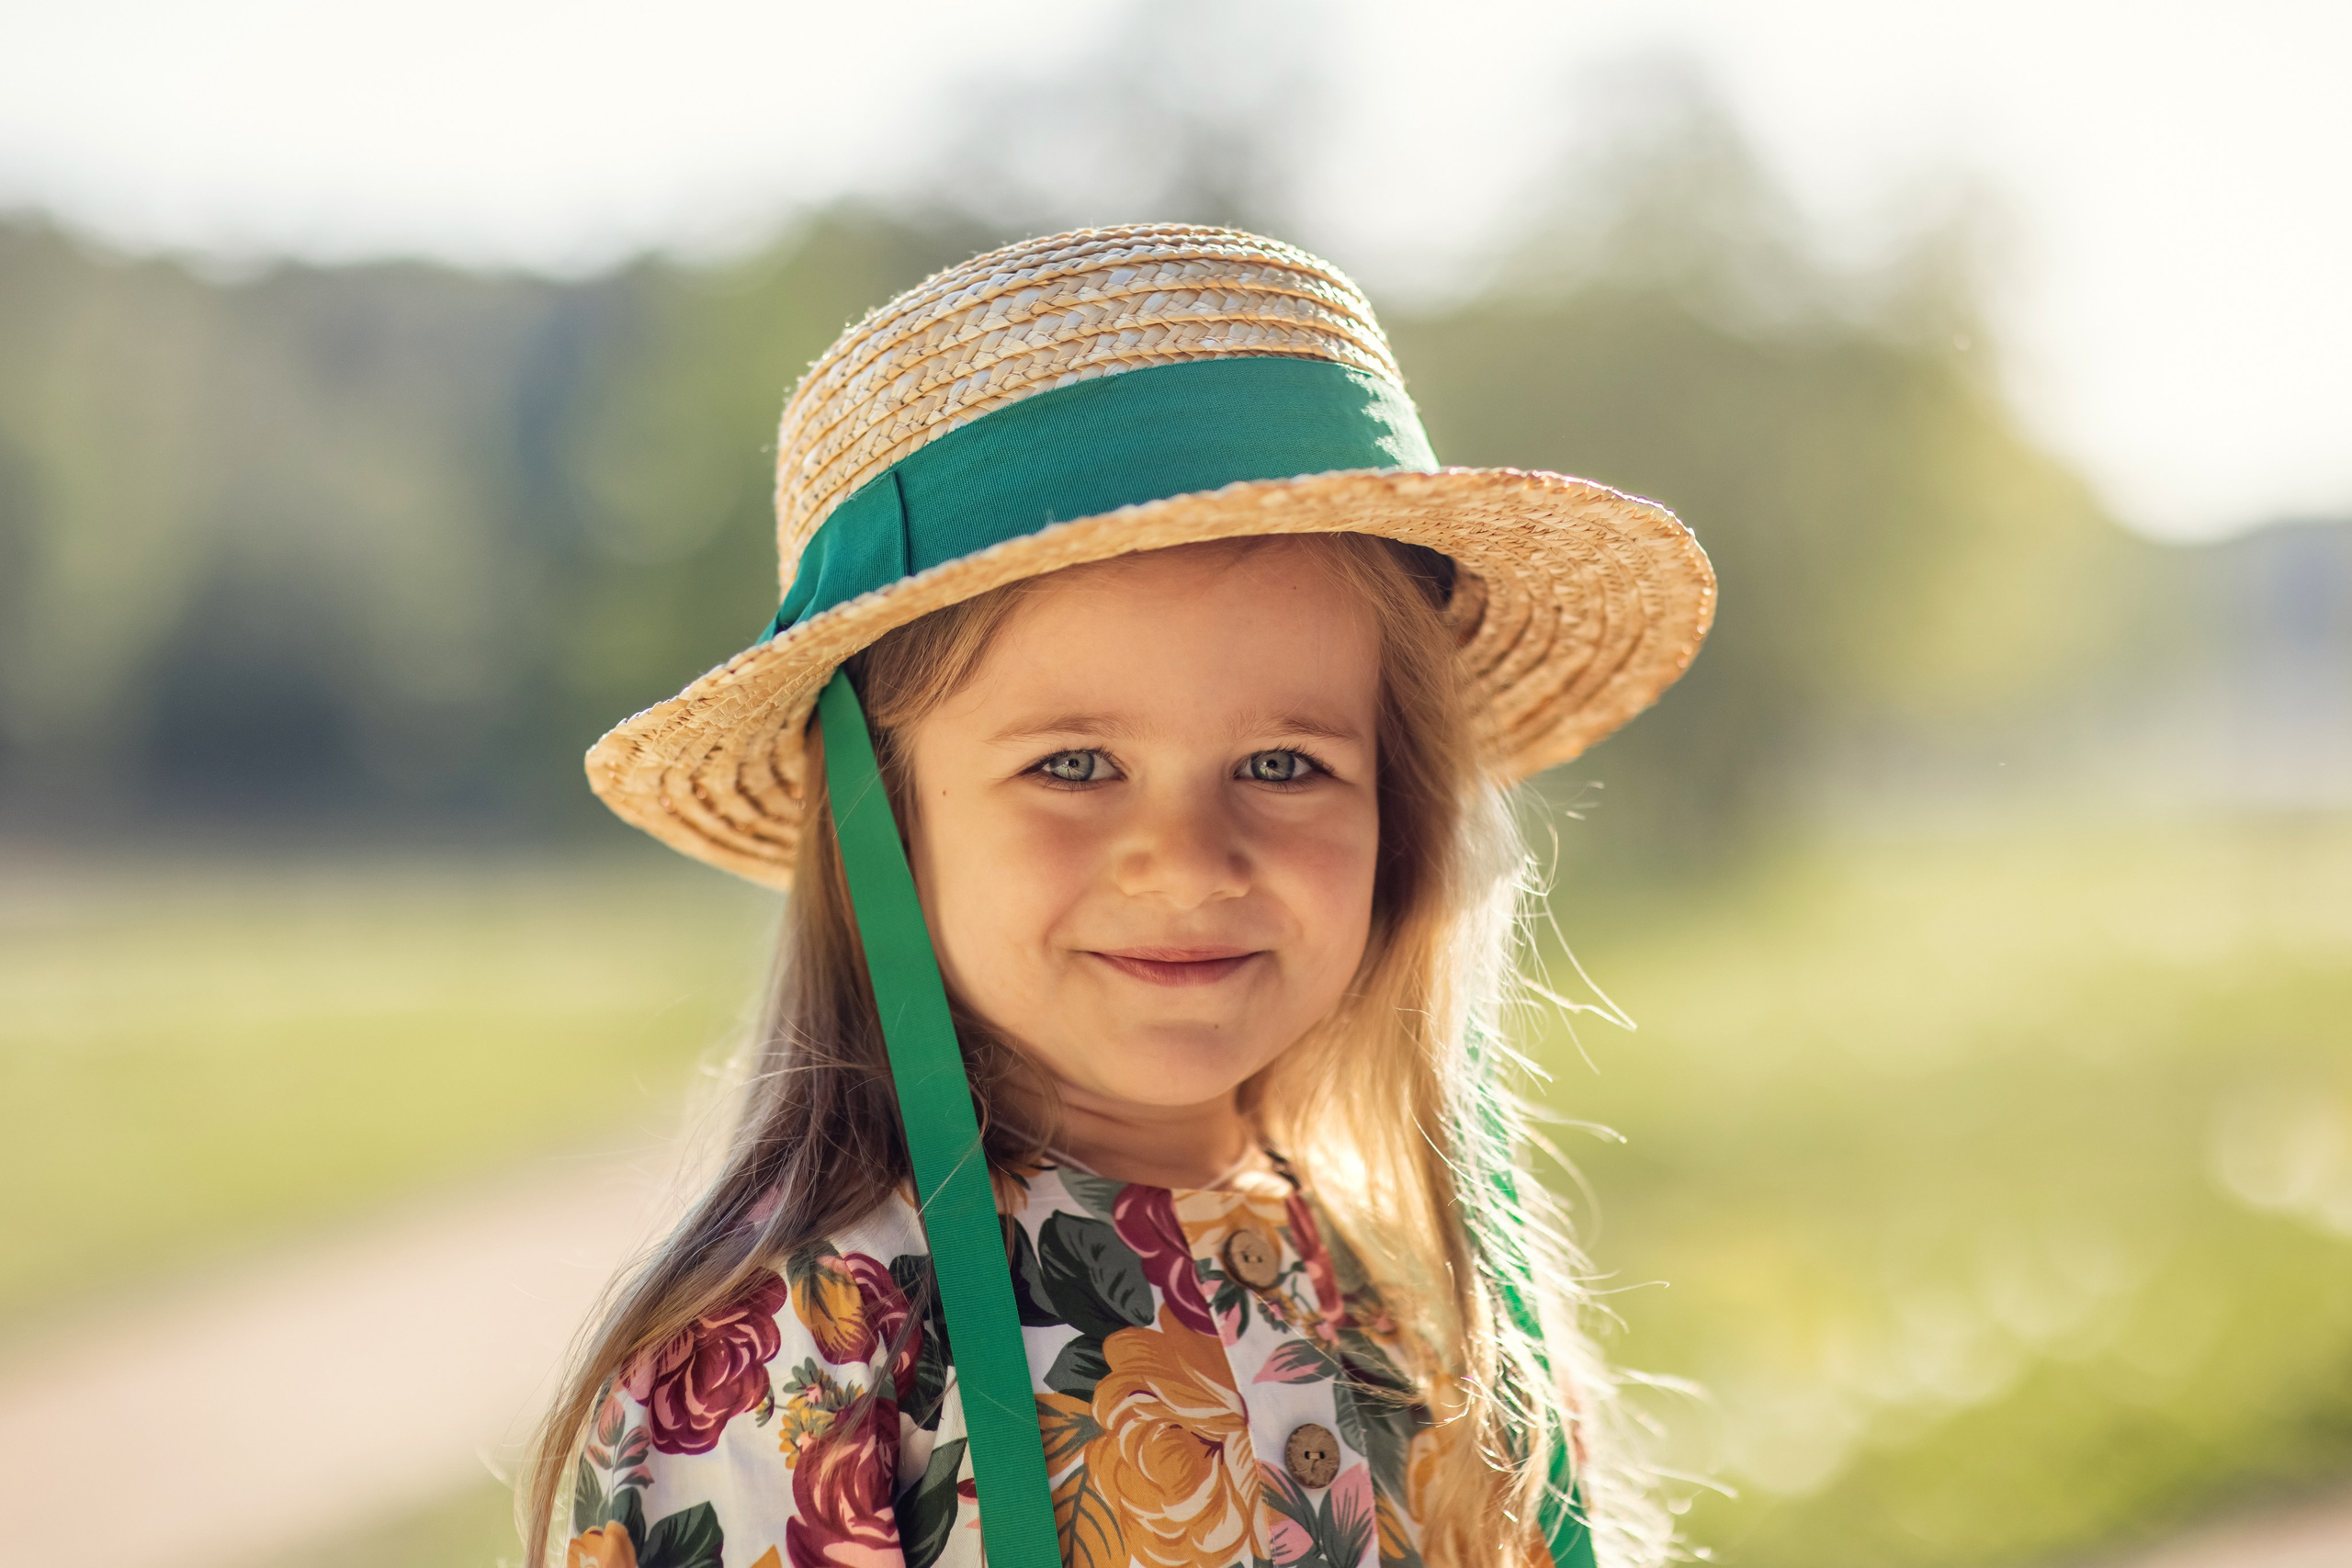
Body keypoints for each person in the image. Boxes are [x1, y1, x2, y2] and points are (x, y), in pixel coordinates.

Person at [528, 224, 1714, 1568]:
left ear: (1402, 815)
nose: (1190, 857)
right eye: (1075, 765)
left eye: (1284, 763)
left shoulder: (1430, 1305)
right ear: (884, 824)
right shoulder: (796, 1357)